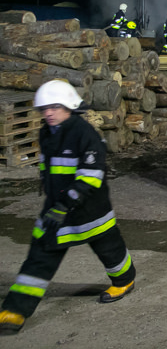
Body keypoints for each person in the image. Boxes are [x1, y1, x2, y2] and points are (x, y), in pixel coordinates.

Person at [0, 81, 136, 335]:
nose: (48, 113)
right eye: (44, 108)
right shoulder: (47, 132)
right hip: (56, 211)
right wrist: (55, 203)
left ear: (69, 106)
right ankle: (15, 310)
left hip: (90, 211)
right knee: (39, 257)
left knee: (110, 250)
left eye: (54, 107)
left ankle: (125, 280)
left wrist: (66, 203)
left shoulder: (85, 133)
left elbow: (91, 176)